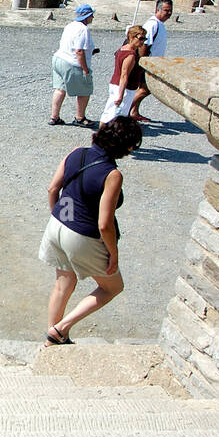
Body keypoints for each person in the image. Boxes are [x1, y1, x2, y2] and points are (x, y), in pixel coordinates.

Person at [40, 116, 143, 346]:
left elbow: (52, 188)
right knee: (113, 287)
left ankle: (53, 340)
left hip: (57, 224)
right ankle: (61, 329)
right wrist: (113, 254)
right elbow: (104, 224)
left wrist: (59, 217)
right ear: (124, 146)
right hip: (81, 235)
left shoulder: (77, 152)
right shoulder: (112, 175)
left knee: (63, 283)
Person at [49, 3, 97, 128]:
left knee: (60, 89)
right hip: (71, 63)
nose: (92, 18)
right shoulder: (83, 29)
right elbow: (79, 51)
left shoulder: (70, 26)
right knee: (84, 90)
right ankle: (80, 117)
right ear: (87, 16)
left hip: (59, 58)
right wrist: (85, 69)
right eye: (91, 15)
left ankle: (54, 117)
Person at [128, 0, 174, 122]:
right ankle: (125, 112)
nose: (169, 13)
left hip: (152, 63)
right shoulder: (153, 24)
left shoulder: (159, 25)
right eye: (166, 10)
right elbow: (144, 44)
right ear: (157, 10)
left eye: (170, 10)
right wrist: (143, 63)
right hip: (147, 64)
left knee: (142, 88)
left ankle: (133, 112)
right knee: (146, 89)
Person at [99, 26, 147, 124]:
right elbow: (124, 75)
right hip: (124, 88)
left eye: (144, 38)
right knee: (117, 116)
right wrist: (120, 95)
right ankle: (109, 136)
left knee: (108, 113)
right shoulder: (130, 55)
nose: (143, 41)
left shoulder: (122, 49)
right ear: (132, 37)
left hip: (115, 84)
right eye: (141, 38)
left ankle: (102, 134)